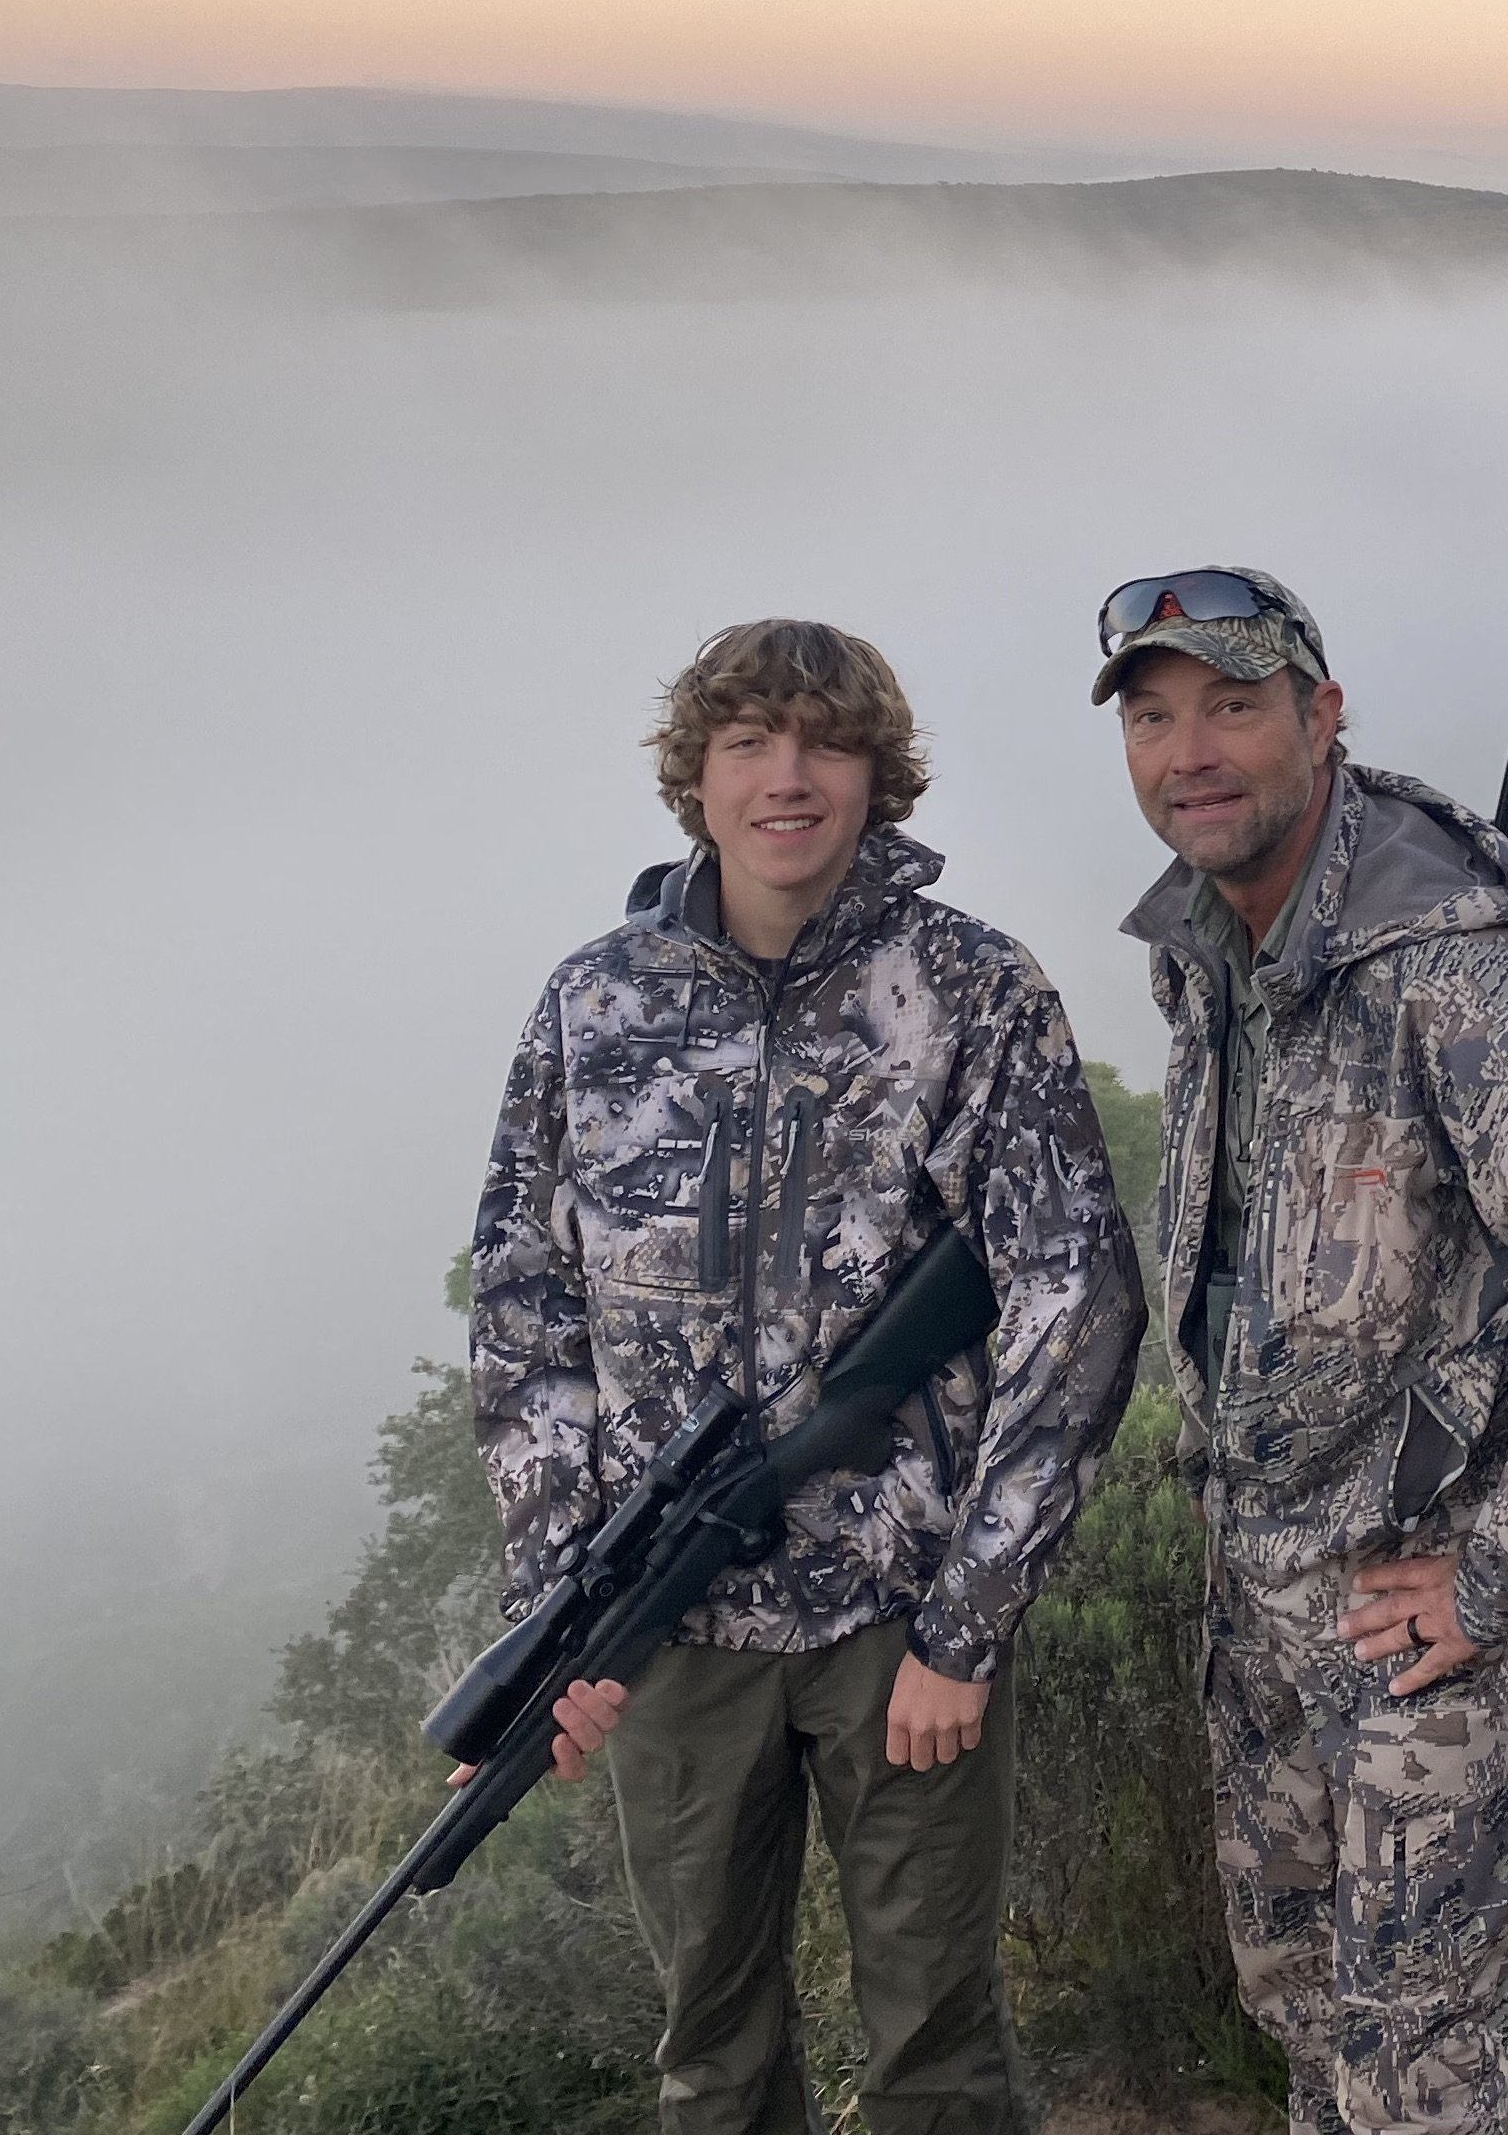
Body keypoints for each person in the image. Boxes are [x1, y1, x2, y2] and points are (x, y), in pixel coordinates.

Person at [472, 619, 1147, 2135]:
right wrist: (559, 1626)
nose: (789, 778)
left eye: (825, 743)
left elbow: (1077, 1301)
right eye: (749, 745)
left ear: (876, 775)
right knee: (710, 2062)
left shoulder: (970, 990)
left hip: (900, 1623)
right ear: (694, 781)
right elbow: (525, 1322)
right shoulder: (595, 1008)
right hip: (674, 1630)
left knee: (939, 2056)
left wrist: (967, 1621)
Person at [1096, 566, 1508, 2135]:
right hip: (1256, 1592)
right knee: (1306, 2020)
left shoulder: (1448, 964)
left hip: (1405, 1620)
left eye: (1233, 705)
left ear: (1321, 716)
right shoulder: (1212, 950)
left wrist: (1495, 1570)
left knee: (1416, 2081)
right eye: (1155, 718)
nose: (1192, 750)